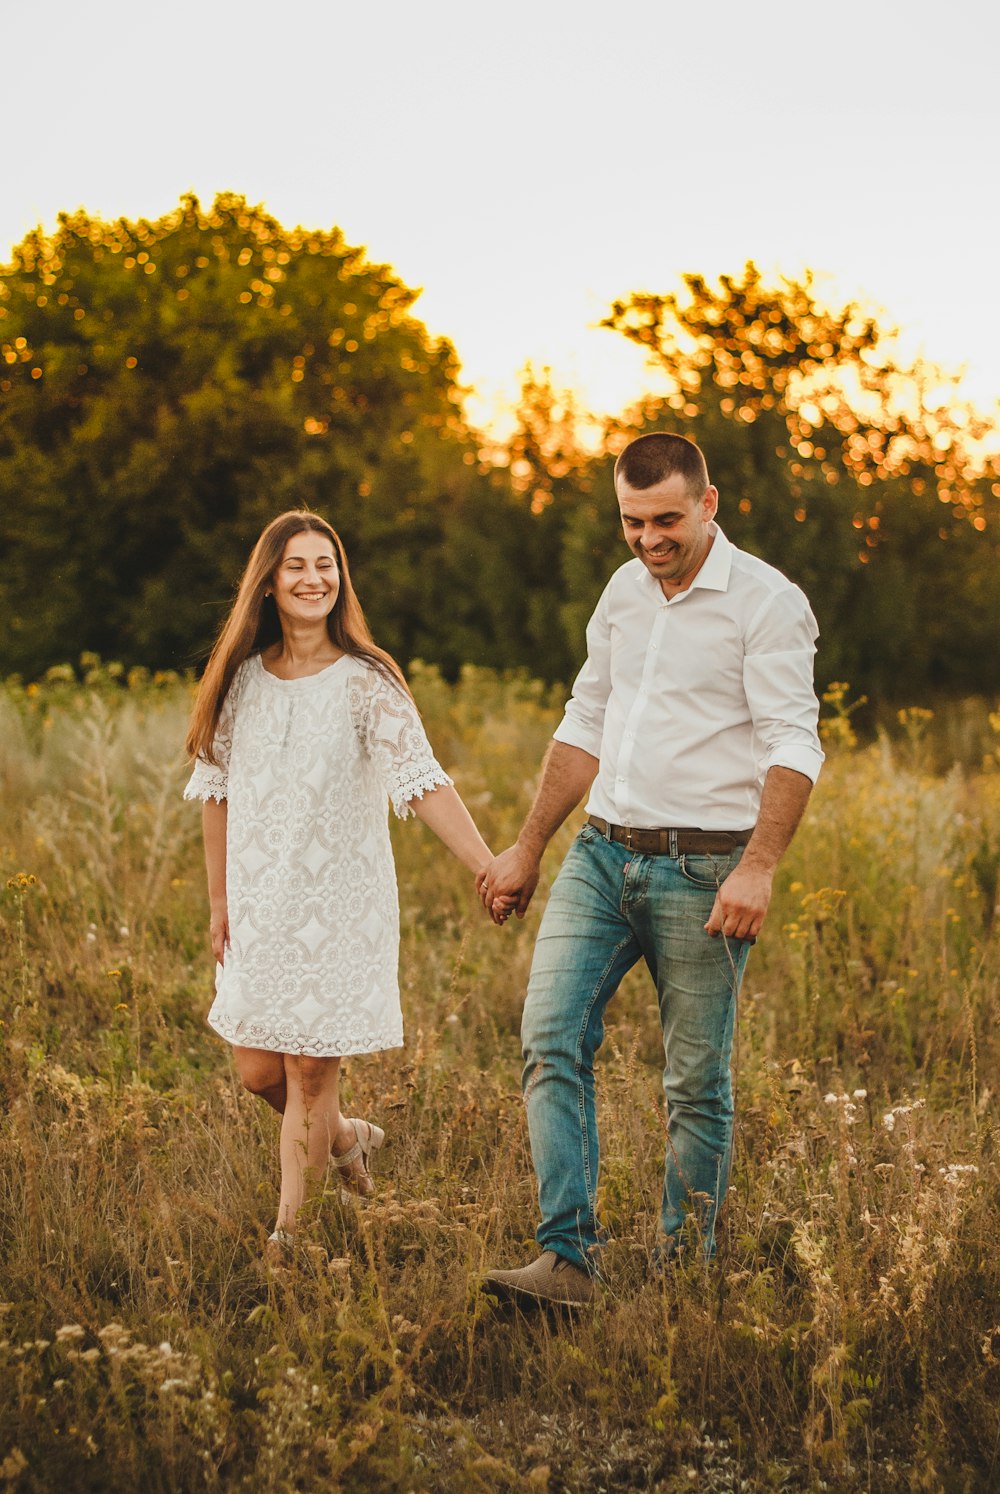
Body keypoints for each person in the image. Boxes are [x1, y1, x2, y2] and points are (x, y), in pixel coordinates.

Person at [478, 432, 824, 1306]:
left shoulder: (766, 603)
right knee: (550, 1037)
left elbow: (794, 742)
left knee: (695, 1082)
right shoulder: (624, 593)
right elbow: (585, 718)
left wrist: (760, 867)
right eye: (632, 521)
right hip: (601, 856)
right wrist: (528, 846)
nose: (648, 539)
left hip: (707, 872)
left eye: (667, 518)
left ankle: (683, 1278)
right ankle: (566, 1260)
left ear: (710, 504)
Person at [184, 511, 498, 1267]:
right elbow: (216, 790)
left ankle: (288, 1238)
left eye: (326, 564)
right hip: (261, 905)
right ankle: (349, 1138)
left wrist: (488, 864)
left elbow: (421, 782)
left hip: (339, 904)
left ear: (340, 579)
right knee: (258, 1071)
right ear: (269, 579)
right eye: (296, 565)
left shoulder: (368, 681)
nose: (313, 578)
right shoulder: (241, 681)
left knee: (309, 1070)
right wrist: (221, 902)